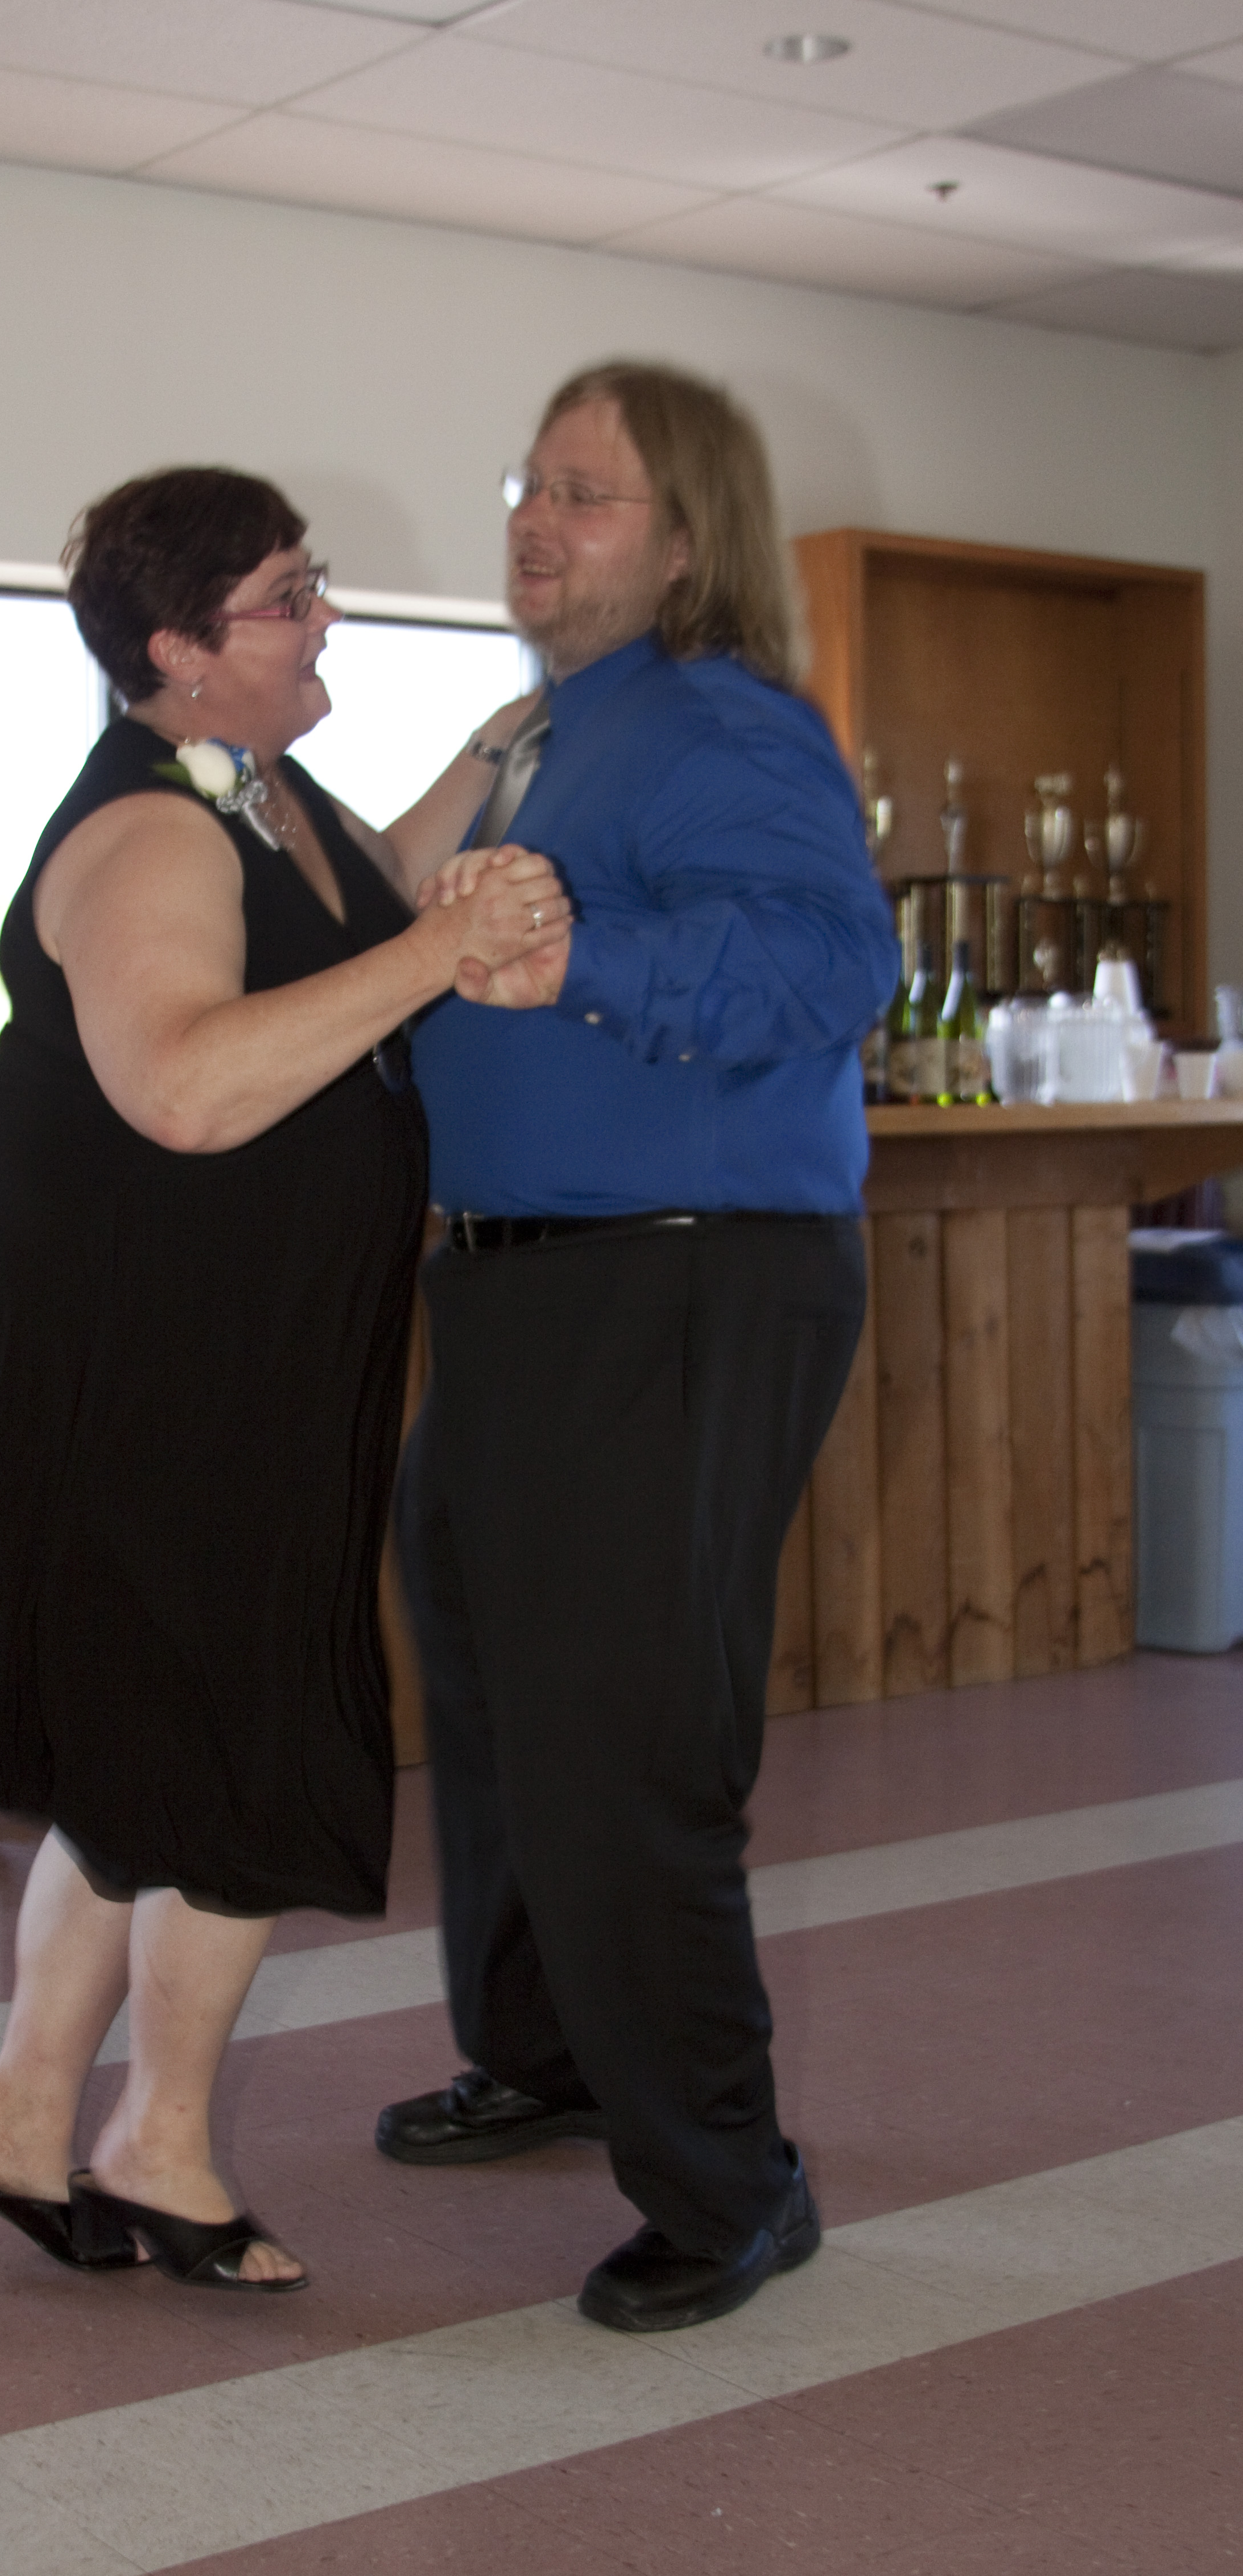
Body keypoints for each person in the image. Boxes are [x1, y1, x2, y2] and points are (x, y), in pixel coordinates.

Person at [0, 466, 565, 2294]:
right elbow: (190, 1089)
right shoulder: (149, 831)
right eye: (289, 595)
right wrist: (444, 952)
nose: (325, 616)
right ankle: (163, 2149)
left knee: (143, 1761)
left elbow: (370, 895)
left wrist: (497, 751)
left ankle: (21, 2122)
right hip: (165, 1378)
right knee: (239, 1760)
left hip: (236, 1358)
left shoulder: (261, 790)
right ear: (180, 651)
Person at [377, 361, 901, 2333]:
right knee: (497, 1692)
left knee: (621, 1735)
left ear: (686, 542)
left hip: (676, 1279)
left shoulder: (720, 722)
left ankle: (727, 2182)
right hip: (522, 1286)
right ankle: (547, 2055)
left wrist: (580, 956)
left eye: (585, 494)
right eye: (529, 483)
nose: (537, 519)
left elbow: (834, 964)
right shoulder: (546, 738)